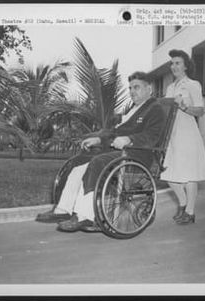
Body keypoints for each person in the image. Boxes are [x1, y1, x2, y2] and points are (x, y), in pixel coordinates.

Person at [36, 71, 166, 232]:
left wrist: (130, 139)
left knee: (97, 162)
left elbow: (152, 136)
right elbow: (114, 132)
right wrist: (99, 139)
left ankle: (85, 216)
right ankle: (63, 209)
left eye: (137, 87)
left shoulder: (155, 109)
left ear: (149, 89)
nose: (132, 91)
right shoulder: (135, 109)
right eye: (131, 87)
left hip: (138, 155)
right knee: (78, 162)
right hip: (121, 152)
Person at [160, 49, 205, 225]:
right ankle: (183, 204)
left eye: (177, 63)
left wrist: (183, 107)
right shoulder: (170, 87)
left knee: (189, 175)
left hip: (188, 134)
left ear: (186, 66)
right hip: (173, 136)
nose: (173, 66)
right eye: (172, 63)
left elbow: (201, 111)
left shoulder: (193, 85)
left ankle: (190, 212)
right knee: (168, 174)